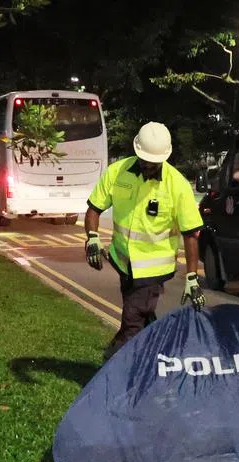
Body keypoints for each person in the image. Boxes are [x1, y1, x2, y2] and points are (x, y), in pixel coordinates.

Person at [84, 122, 205, 359]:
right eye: (144, 159)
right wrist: (92, 238)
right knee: (143, 318)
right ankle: (164, 361)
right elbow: (94, 208)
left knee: (132, 322)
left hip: (152, 270)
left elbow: (191, 233)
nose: (148, 165)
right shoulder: (117, 172)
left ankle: (112, 370)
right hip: (123, 264)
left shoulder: (177, 185)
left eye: (153, 162)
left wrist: (192, 277)